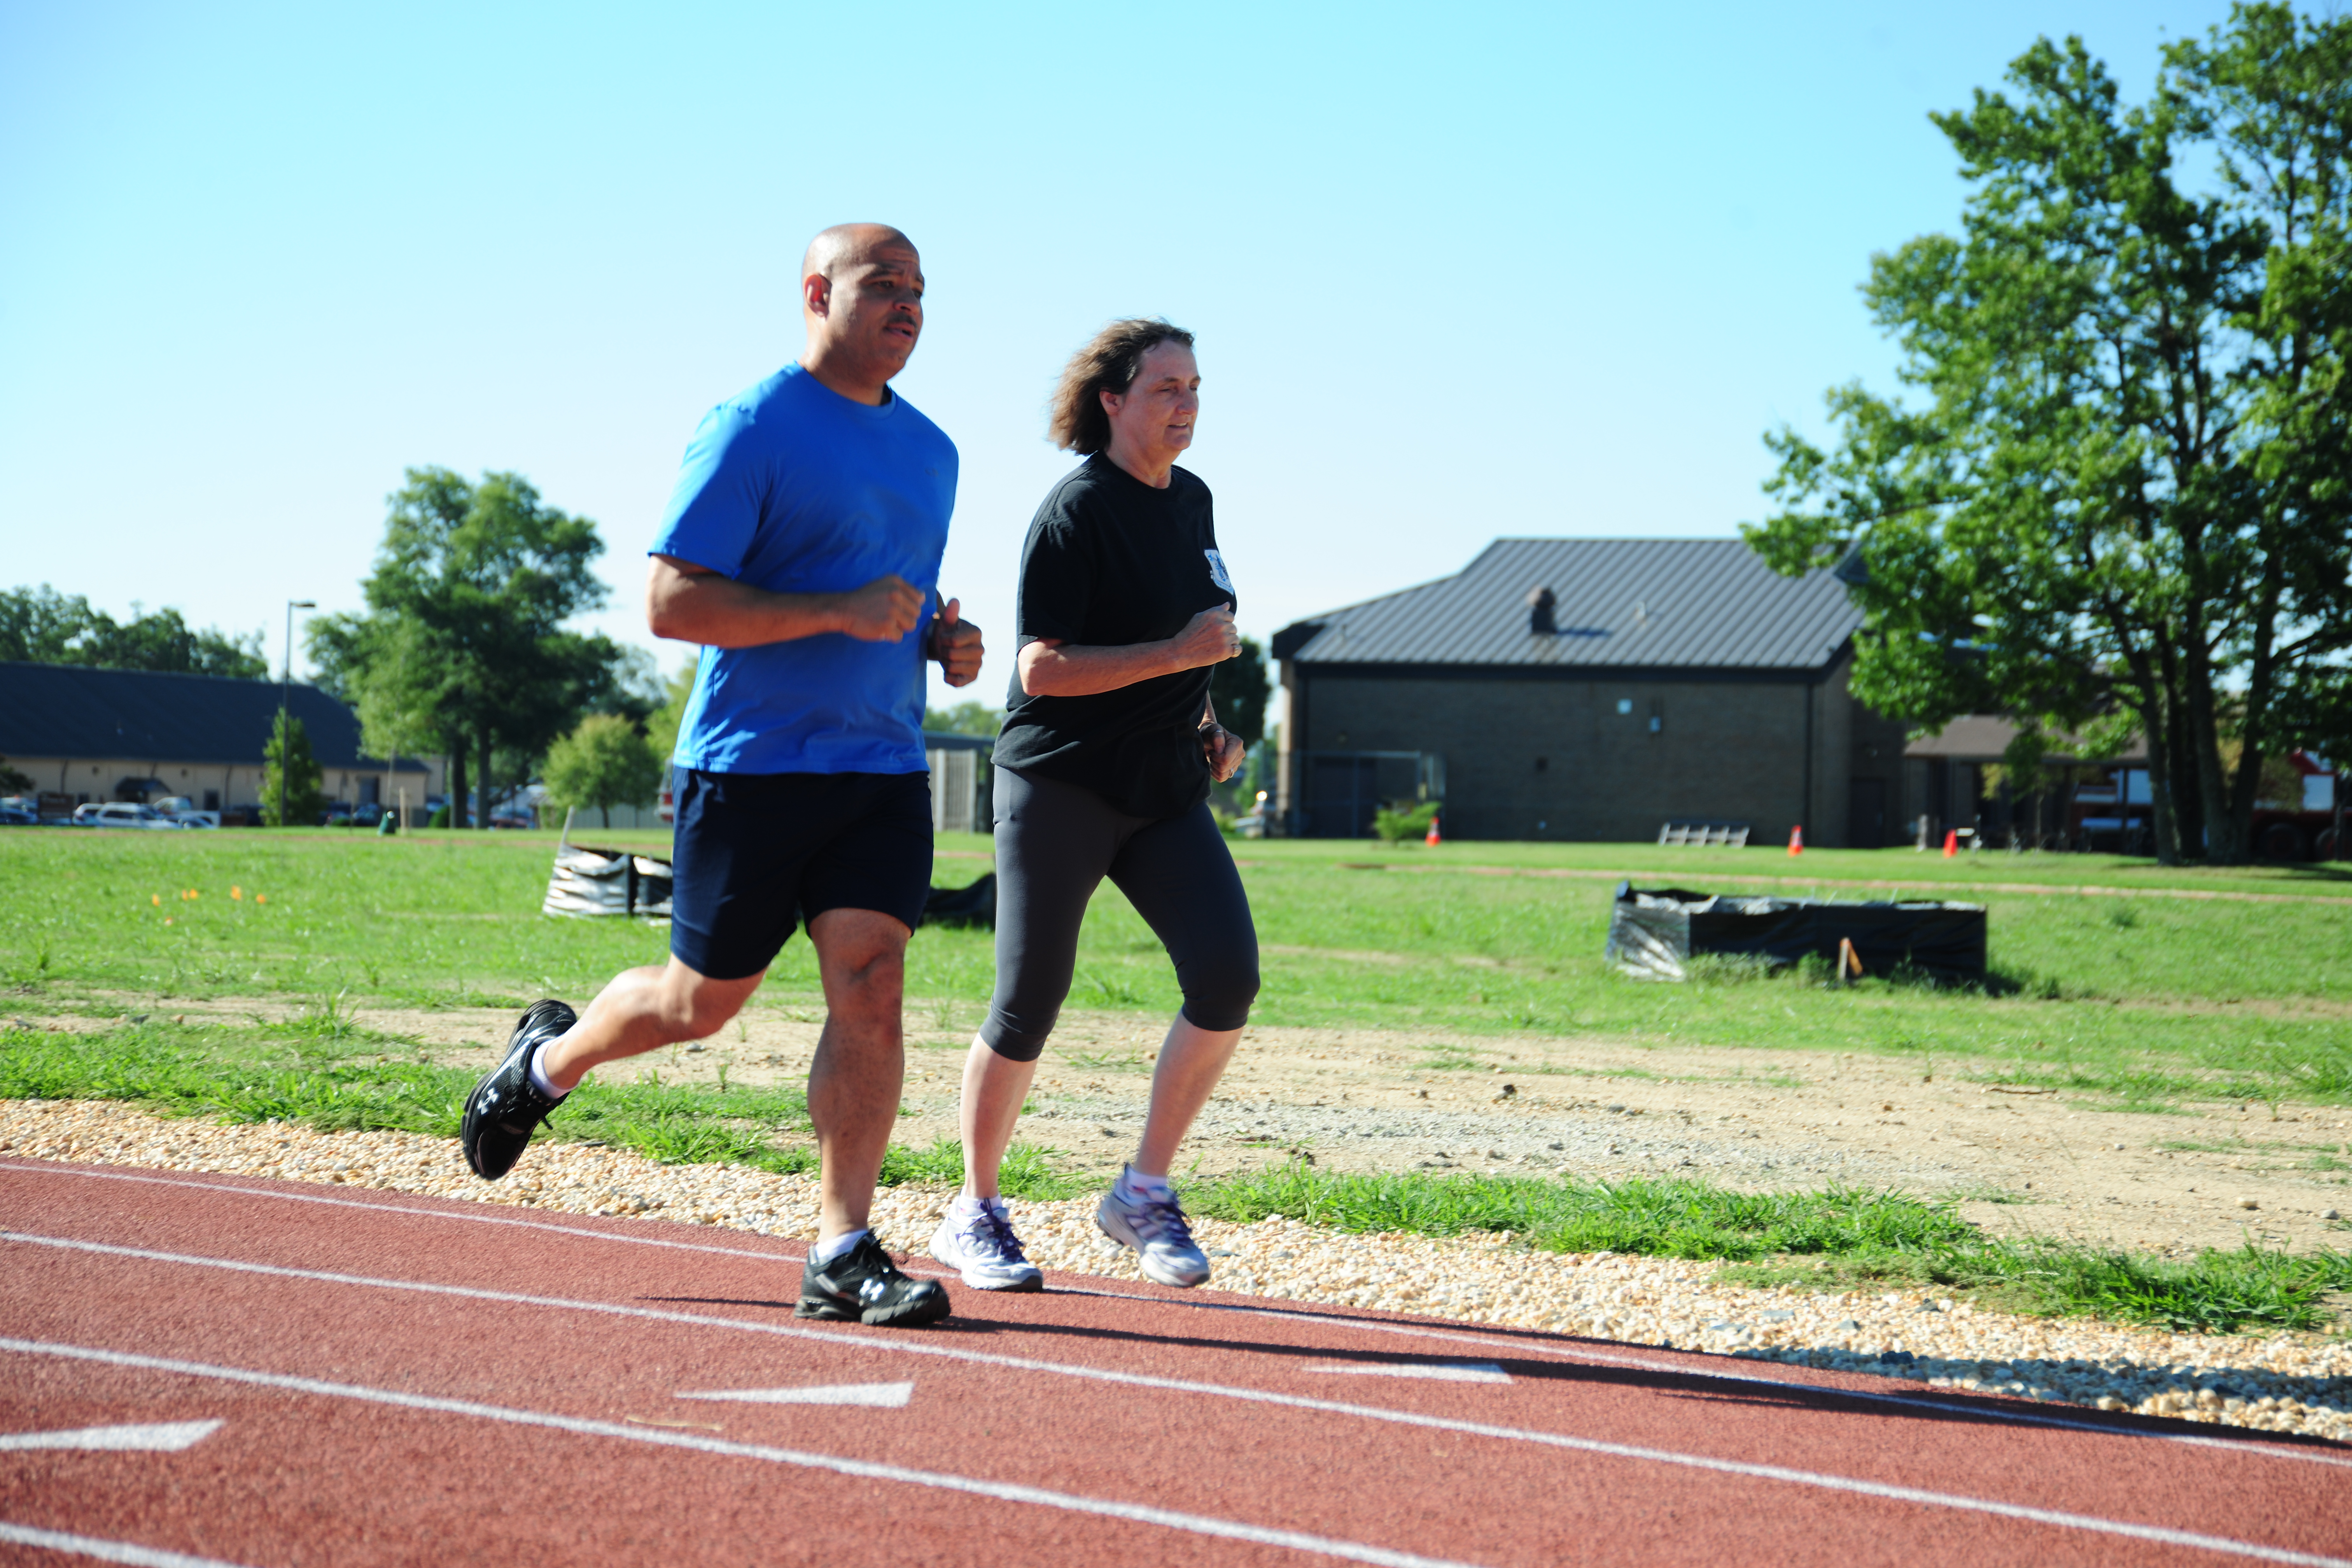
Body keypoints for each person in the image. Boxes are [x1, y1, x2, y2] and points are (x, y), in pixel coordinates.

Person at [461, 222, 984, 1328]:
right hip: (750, 767)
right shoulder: (752, 427)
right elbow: (671, 603)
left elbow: (900, 599)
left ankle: (841, 1249)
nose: (908, 304)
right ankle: (544, 1066)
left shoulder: (935, 452)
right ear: (814, 293)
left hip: (880, 764)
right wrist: (841, 610)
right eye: (883, 283)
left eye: (921, 290)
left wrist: (943, 643)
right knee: (699, 1006)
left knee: (872, 981)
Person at [929, 319, 1255, 1292]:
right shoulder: (1074, 511)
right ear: (1111, 401)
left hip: (1161, 785)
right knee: (1029, 998)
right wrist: (1179, 659)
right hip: (1060, 779)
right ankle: (974, 1211)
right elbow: (1040, 668)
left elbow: (1189, 636)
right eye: (1165, 388)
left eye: (1195, 387)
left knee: (1227, 976)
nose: (1186, 404)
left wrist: (1205, 719)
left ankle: (1141, 1193)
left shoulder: (1192, 500)